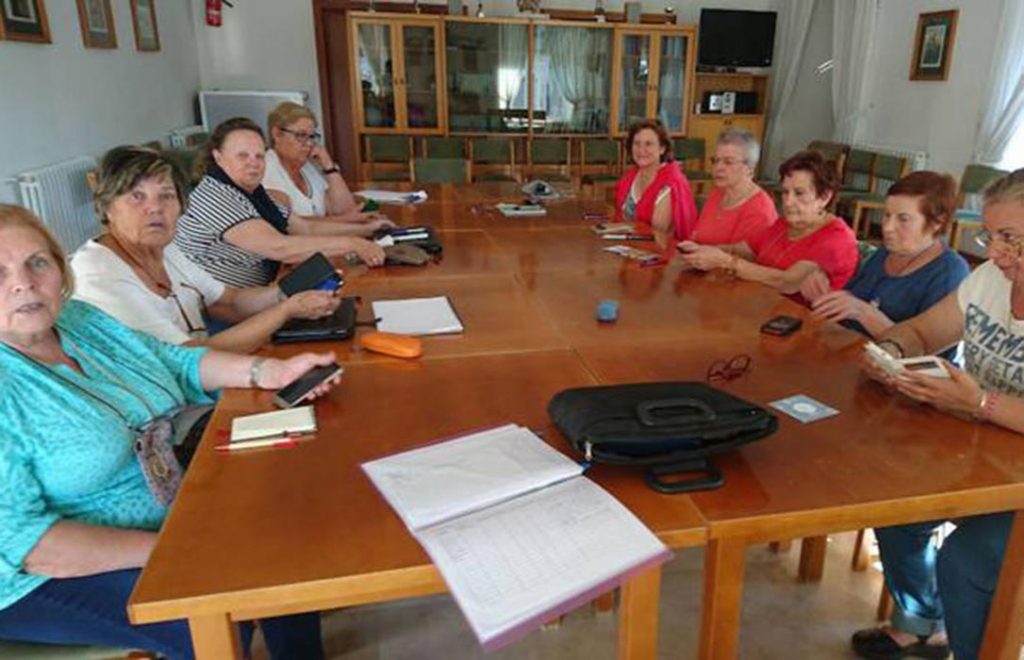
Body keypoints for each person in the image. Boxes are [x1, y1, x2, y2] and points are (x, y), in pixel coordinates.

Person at [0, 204, 334, 658]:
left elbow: (174, 361)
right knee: (211, 608)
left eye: (37, 262)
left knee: (275, 534)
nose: (23, 283)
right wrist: (174, 548)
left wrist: (268, 371)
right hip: (35, 575)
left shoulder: (80, 320)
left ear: (60, 269)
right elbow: (29, 544)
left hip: (169, 510)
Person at [850, 169, 1024, 660]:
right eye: (990, 236)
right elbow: (924, 331)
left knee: (966, 562)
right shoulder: (989, 280)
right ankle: (923, 625)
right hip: (985, 450)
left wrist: (981, 403)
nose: (995, 252)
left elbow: (980, 402)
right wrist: (890, 350)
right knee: (896, 503)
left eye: (1010, 238)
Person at [72, 146, 340, 352]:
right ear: (107, 207)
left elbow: (228, 302)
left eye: (166, 195)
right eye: (136, 196)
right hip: (169, 403)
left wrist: (291, 294)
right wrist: (285, 311)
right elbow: (188, 357)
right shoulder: (97, 274)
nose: (154, 208)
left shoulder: (166, 249)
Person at [174, 117, 387, 289]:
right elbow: (280, 247)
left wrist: (367, 230)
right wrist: (353, 244)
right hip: (221, 312)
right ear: (218, 157)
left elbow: (305, 228)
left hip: (257, 293)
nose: (253, 163)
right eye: (242, 156)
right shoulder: (216, 196)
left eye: (259, 156)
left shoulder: (252, 192)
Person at [801, 171, 969, 360]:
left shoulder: (949, 273)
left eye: (903, 219)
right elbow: (853, 302)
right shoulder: (885, 253)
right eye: (887, 215)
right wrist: (824, 292)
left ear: (937, 222)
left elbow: (928, 358)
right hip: (852, 353)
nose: (888, 227)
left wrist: (864, 313)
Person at [678, 150, 858, 298]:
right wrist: (701, 250)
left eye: (799, 193)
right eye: (785, 192)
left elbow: (787, 282)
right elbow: (745, 249)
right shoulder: (783, 225)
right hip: (762, 307)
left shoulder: (837, 238)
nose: (788, 202)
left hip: (803, 323)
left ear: (825, 197)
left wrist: (725, 261)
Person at [262, 102, 386, 226]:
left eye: (312, 136)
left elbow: (344, 210)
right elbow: (287, 224)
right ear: (277, 134)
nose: (309, 143)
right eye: (301, 135)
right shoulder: (266, 169)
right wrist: (347, 219)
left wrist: (329, 166)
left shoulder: (307, 168)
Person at [614, 118, 698, 240]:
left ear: (662, 148)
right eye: (637, 143)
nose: (641, 150)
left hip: (658, 248)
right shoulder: (629, 178)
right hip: (629, 243)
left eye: (648, 144)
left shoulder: (670, 183)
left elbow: (658, 233)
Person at [690, 128, 777, 245]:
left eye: (728, 162)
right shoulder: (718, 192)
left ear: (749, 168)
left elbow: (742, 254)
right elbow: (697, 236)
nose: (718, 167)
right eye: (716, 160)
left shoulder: (760, 211)